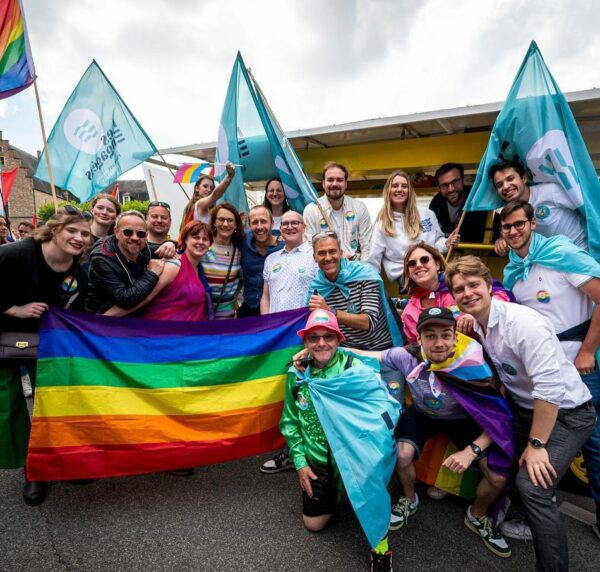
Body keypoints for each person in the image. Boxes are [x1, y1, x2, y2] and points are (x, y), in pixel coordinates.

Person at [445, 255, 596, 571]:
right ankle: (519, 513)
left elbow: (549, 389)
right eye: (459, 290)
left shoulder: (522, 323)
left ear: (489, 285)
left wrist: (537, 445)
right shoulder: (480, 323)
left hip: (568, 414)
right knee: (501, 455)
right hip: (526, 411)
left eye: (474, 285)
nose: (468, 293)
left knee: (533, 487)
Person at [352, 307, 513, 558]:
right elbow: (366, 355)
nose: (438, 343)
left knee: (498, 478)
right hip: (423, 414)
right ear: (419, 339)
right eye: (430, 336)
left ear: (455, 338)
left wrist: (472, 451)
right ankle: (409, 498)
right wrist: (323, 349)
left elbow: (498, 417)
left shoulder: (472, 363)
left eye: (445, 335)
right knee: (402, 455)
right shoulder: (406, 357)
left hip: (463, 419)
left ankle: (477, 516)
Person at [500, 199, 600, 541]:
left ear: (532, 223)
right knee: (543, 439)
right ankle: (538, 509)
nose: (513, 231)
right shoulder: (513, 271)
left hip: (579, 360)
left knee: (593, 443)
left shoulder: (561, 253)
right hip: (543, 366)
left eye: (518, 224)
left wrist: (588, 350)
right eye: (506, 227)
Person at [281, 309, 399, 571]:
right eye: (314, 338)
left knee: (370, 497)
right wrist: (300, 463)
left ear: (338, 339)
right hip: (318, 458)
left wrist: (371, 450)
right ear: (306, 342)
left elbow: (383, 407)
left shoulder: (354, 367)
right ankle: (339, 491)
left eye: (328, 336)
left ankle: (380, 548)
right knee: (314, 525)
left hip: (356, 454)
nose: (321, 343)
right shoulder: (297, 375)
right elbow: (289, 422)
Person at [0, 206, 91, 506]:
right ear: (55, 229)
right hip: (5, 340)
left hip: (48, 345)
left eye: (85, 234)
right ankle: (33, 470)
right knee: (9, 405)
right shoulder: (15, 253)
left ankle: (58, 462)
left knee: (54, 404)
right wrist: (14, 308)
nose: (79, 238)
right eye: (73, 230)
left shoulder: (79, 270)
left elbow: (76, 310)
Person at [400, 242, 513, 343]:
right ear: (408, 272)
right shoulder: (409, 313)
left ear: (437, 264)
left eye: (424, 259)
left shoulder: (459, 283)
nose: (419, 265)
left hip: (489, 348)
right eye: (412, 263)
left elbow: (502, 295)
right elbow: (417, 347)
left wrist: (478, 313)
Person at [308, 232, 402, 351]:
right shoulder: (317, 286)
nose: (327, 257)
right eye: (321, 253)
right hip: (345, 354)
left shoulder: (364, 273)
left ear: (341, 253)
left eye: (332, 251)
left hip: (381, 350)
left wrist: (330, 311)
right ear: (314, 257)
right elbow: (314, 325)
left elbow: (368, 323)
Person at [367, 170, 454, 287]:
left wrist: (446, 243)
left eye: (404, 186)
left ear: (410, 191)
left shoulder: (427, 214)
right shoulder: (381, 225)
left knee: (455, 280)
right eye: (395, 186)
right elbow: (374, 258)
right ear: (388, 191)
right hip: (405, 275)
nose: (399, 189)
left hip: (432, 269)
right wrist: (370, 284)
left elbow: (437, 242)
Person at [489, 160, 587, 256]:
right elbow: (510, 231)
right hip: (549, 262)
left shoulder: (550, 191)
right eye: (499, 185)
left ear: (524, 178)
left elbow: (589, 209)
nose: (505, 186)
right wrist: (501, 241)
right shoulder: (508, 211)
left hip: (579, 253)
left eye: (510, 179)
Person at [85, 210, 165, 315]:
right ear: (116, 232)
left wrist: (170, 243)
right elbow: (124, 300)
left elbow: (160, 248)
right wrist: (151, 274)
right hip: (99, 321)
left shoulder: (144, 248)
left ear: (146, 236)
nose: (135, 238)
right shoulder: (101, 259)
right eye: (128, 232)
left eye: (140, 234)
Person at [303, 162, 372, 260]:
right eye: (330, 180)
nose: (335, 184)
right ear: (323, 184)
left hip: (354, 267)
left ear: (346, 184)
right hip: (325, 266)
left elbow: (367, 245)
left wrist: (363, 272)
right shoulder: (311, 210)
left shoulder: (359, 207)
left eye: (339, 180)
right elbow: (309, 247)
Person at [260, 210, 317, 315]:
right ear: (280, 229)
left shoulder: (315, 255)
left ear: (304, 227)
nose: (290, 227)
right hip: (276, 326)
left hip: (303, 325)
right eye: (285, 224)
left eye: (294, 223)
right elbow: (266, 297)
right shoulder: (271, 259)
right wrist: (266, 323)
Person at [201, 202, 245, 319]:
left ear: (236, 224)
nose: (225, 224)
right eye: (221, 219)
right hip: (200, 312)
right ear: (214, 222)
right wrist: (169, 243)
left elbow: (241, 279)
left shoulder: (239, 250)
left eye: (230, 220)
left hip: (226, 315)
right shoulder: (203, 245)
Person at [238, 205, 283, 318]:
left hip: (276, 310)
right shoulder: (242, 241)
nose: (259, 226)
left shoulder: (284, 246)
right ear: (249, 225)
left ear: (272, 223)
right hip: (249, 309)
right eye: (254, 222)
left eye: (263, 221)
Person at [429, 163, 491, 243]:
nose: (451, 189)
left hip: (479, 251)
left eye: (455, 181)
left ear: (462, 181)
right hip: (449, 252)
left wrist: (501, 239)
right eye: (445, 185)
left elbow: (498, 222)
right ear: (439, 188)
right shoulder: (436, 203)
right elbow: (431, 233)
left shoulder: (476, 198)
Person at [180, 162, 236, 227]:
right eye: (205, 186)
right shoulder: (200, 204)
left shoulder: (194, 206)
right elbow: (215, 194)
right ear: (197, 188)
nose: (209, 190)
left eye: (212, 188)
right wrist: (229, 176)